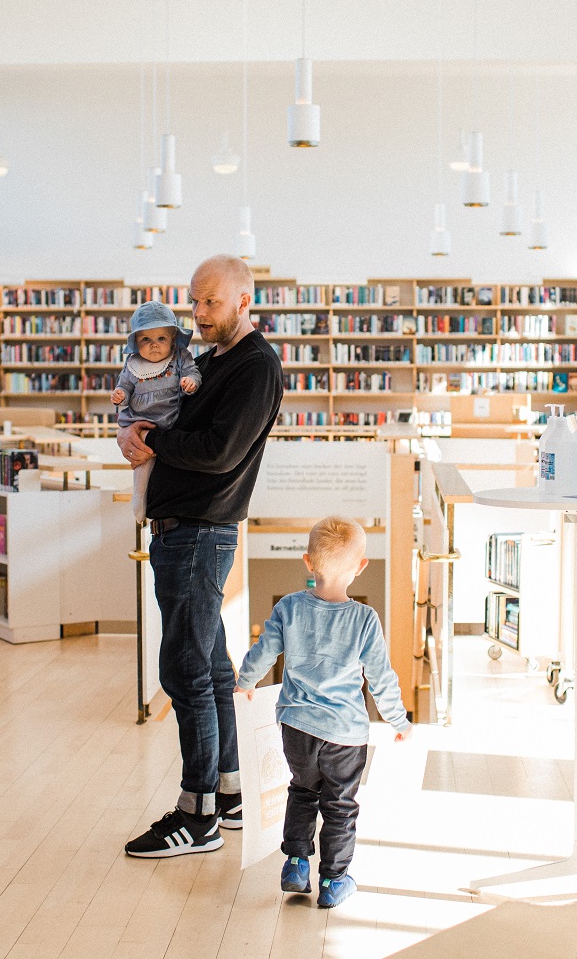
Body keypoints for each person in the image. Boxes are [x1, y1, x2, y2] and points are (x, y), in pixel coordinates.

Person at [121, 254, 283, 859]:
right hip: (182, 530)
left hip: (197, 533)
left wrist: (154, 438)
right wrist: (134, 428)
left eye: (209, 303)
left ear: (244, 301)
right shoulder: (209, 360)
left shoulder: (255, 366)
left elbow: (218, 452)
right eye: (192, 301)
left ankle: (199, 814)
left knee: (183, 672)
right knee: (210, 670)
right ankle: (230, 792)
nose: (196, 314)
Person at [235, 516, 412, 909]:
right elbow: (381, 678)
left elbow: (263, 651)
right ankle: (333, 880)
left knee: (301, 791)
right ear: (361, 566)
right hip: (346, 735)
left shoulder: (290, 608)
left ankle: (296, 863)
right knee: (340, 806)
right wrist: (399, 721)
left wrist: (245, 683)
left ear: (307, 562)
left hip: (296, 728)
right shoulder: (365, 620)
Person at [111, 301, 201, 524]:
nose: (154, 345)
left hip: (171, 420)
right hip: (141, 421)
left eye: (161, 338)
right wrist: (120, 394)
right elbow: (125, 387)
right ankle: (140, 502)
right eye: (146, 340)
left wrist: (191, 381)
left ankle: (163, 504)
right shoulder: (132, 363)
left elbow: (194, 373)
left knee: (169, 470)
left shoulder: (180, 357)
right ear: (136, 342)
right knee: (142, 467)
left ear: (172, 338)